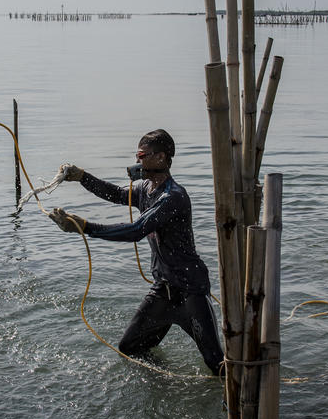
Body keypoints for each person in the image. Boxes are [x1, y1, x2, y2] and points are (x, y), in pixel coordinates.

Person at [49, 129, 224, 375]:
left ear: (161, 158)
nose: (137, 160)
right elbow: (116, 194)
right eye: (137, 155)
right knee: (130, 348)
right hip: (163, 290)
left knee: (216, 364)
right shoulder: (144, 188)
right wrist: (82, 177)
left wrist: (85, 227)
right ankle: (167, 385)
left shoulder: (173, 197)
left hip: (190, 291)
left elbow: (136, 230)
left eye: (142, 155)